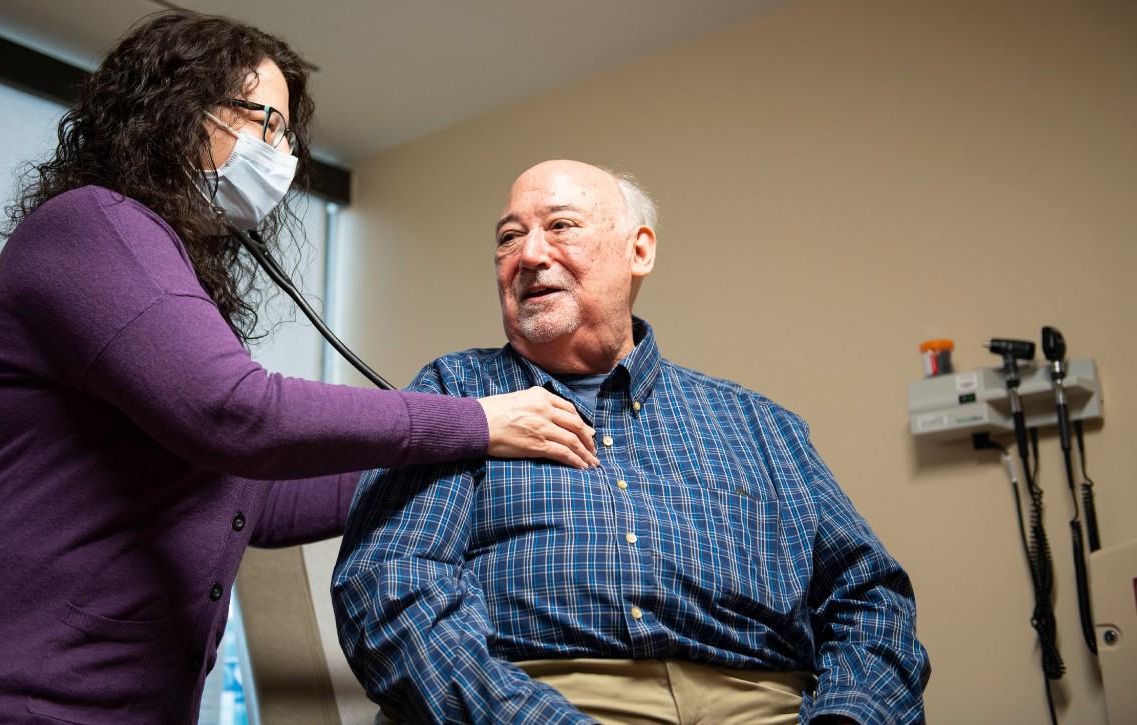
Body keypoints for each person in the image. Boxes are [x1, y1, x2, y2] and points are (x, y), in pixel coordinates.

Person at [0, 13, 597, 725]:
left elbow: (251, 501)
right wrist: (473, 420)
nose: (280, 153)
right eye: (260, 120)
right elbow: (235, 413)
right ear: (173, 111)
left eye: (285, 132)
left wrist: (474, 459)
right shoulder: (91, 224)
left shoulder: (161, 269)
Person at [333, 160, 929, 724]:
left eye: (561, 226)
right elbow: (391, 586)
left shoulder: (760, 424)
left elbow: (871, 600)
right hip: (542, 700)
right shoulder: (457, 396)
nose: (530, 255)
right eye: (509, 238)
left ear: (638, 250)